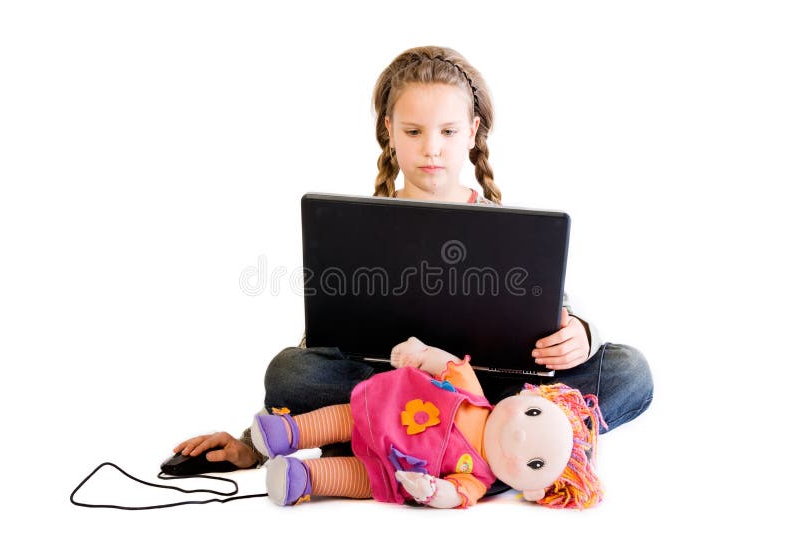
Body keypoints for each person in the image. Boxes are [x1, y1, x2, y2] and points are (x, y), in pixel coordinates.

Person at [172, 46, 653, 474]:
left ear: (472, 132)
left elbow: (557, 316)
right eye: (414, 131)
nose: (431, 148)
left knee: (629, 371)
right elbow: (323, 344)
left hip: (488, 392)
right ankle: (489, 451)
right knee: (289, 370)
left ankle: (404, 442)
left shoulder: (511, 226)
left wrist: (580, 336)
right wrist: (249, 445)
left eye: (447, 130)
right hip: (394, 388)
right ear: (389, 131)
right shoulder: (358, 224)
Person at [251, 336, 605, 509]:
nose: (521, 433)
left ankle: (304, 478)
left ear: (535, 491)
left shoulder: (478, 477)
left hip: (395, 471)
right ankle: (289, 431)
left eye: (535, 463)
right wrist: (421, 355)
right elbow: (453, 367)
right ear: (532, 397)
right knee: (346, 414)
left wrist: (433, 492)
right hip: (385, 406)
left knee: (363, 479)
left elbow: (458, 493)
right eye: (533, 413)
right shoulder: (475, 399)